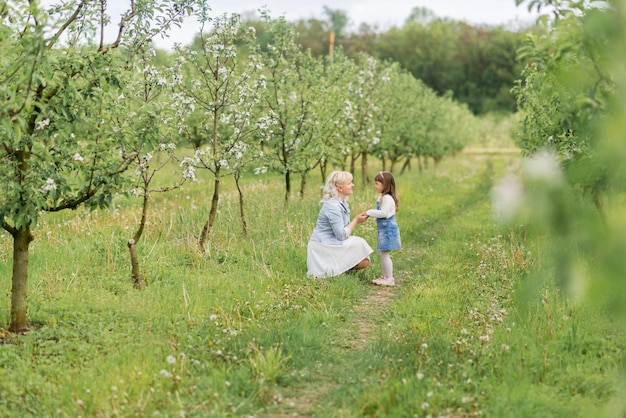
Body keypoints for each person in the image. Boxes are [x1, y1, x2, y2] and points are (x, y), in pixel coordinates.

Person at [307, 171, 373, 278]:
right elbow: (341, 235)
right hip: (323, 246)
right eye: (349, 183)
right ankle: (338, 271)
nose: (353, 185)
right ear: (340, 188)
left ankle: (341, 270)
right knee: (360, 244)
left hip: (332, 243)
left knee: (364, 257)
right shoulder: (333, 206)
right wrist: (356, 220)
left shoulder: (342, 203)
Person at [366, 171, 401, 286]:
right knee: (383, 253)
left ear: (384, 184)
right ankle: (386, 276)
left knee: (385, 254)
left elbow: (384, 213)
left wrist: (369, 212)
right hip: (384, 229)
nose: (375, 186)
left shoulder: (387, 198)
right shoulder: (383, 196)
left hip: (387, 230)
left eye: (377, 183)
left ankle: (389, 279)